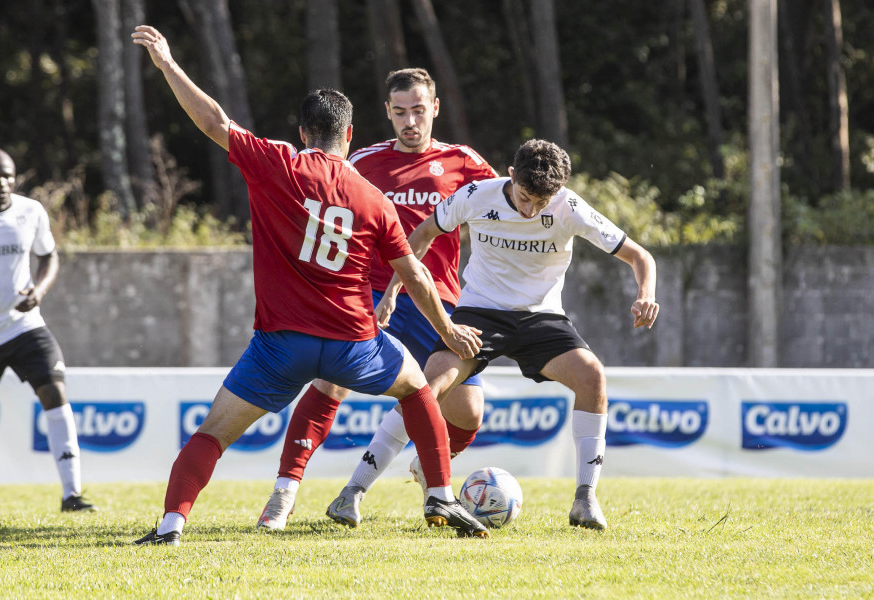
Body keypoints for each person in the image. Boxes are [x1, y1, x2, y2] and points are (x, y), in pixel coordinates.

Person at [131, 26, 489, 545]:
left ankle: (171, 525)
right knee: (415, 389)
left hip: (280, 347)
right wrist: (449, 331)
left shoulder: (276, 164)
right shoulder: (372, 197)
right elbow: (413, 273)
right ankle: (440, 497)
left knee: (212, 433)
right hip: (354, 344)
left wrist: (168, 65)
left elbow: (214, 121)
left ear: (302, 132)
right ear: (350, 136)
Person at [339, 139, 660, 530]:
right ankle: (353, 491)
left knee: (592, 376)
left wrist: (646, 294)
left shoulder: (569, 206)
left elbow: (640, 256)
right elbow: (420, 236)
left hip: (541, 319)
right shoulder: (476, 195)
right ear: (510, 176)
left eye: (541, 202)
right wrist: (392, 292)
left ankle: (584, 499)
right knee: (428, 387)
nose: (530, 210)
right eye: (525, 197)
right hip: (480, 314)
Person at [255, 68, 498, 531]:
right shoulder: (362, 161)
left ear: (435, 109)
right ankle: (285, 493)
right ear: (387, 112)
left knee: (467, 415)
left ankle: (428, 470)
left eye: (419, 111)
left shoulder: (464, 161)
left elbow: (503, 206)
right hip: (366, 296)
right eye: (400, 112)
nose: (410, 121)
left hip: (437, 300)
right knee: (331, 385)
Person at [0, 148, 96, 513]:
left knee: (55, 392)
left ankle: (72, 495)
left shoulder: (31, 212)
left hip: (24, 327)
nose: (2, 183)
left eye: (8, 176)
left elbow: (48, 255)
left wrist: (38, 292)